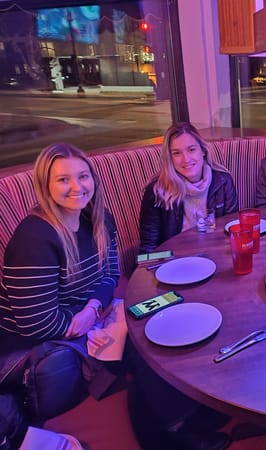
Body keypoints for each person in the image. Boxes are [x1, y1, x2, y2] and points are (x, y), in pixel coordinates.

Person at [0, 143, 119, 449]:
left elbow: (112, 275)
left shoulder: (100, 219)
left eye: (83, 176)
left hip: (78, 317)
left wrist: (93, 308)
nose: (77, 187)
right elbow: (36, 325)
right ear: (45, 185)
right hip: (20, 346)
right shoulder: (34, 237)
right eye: (63, 179)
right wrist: (89, 324)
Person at [139, 122, 238, 253]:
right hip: (175, 262)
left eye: (191, 150)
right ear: (170, 158)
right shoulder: (156, 191)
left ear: (203, 151)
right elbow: (149, 247)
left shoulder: (223, 182)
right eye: (176, 153)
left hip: (216, 255)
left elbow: (232, 231)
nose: (186, 159)